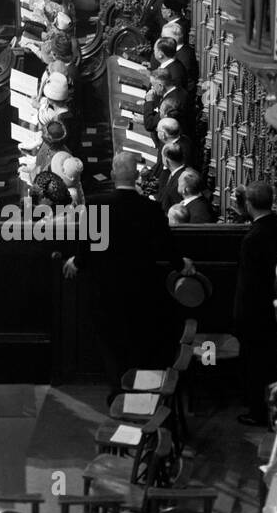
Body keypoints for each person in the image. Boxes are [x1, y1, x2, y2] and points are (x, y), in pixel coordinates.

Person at [63, 152, 193, 396]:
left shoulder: (96, 204)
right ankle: (141, 391)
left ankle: (118, 391)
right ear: (136, 176)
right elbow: (166, 245)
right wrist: (180, 264)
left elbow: (87, 243)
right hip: (141, 288)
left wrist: (77, 262)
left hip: (106, 288)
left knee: (111, 343)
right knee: (139, 339)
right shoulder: (152, 208)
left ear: (112, 175)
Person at [233, 182, 277, 427]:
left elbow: (248, 287)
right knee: (273, 362)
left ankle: (258, 411)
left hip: (256, 314)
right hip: (275, 310)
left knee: (256, 365)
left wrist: (239, 316)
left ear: (249, 205)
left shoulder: (252, 238)